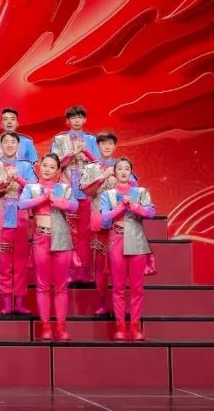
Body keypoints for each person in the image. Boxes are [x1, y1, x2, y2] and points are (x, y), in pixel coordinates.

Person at [19, 153, 77, 341]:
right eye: (45, 165)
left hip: (61, 239)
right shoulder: (32, 188)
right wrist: (42, 199)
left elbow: (74, 206)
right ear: (40, 166)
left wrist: (56, 201)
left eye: (52, 167)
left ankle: (60, 326)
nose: (47, 169)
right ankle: (45, 327)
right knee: (42, 285)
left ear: (58, 170)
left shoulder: (64, 188)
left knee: (61, 286)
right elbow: (22, 204)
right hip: (41, 238)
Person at [99, 158, 156, 341]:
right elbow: (104, 218)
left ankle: (135, 326)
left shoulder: (141, 192)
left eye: (127, 169)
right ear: (114, 172)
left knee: (137, 288)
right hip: (117, 239)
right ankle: (120, 326)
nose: (123, 172)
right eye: (120, 169)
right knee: (118, 287)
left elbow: (151, 213)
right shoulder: (108, 195)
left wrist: (133, 206)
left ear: (131, 172)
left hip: (137, 239)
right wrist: (121, 207)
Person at [79, 131, 135, 316]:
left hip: (121, 223)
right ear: (97, 146)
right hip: (99, 221)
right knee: (100, 266)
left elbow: (135, 188)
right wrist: (103, 176)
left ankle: (122, 305)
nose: (107, 146)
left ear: (115, 146)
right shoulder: (90, 168)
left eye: (110, 143)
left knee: (122, 266)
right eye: (103, 143)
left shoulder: (122, 166)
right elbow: (86, 191)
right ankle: (104, 303)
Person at [0, 132, 37, 315]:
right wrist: (5, 181)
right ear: (1, 145)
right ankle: (6, 301)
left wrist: (18, 178)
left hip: (20, 216)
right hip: (2, 216)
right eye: (5, 142)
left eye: (13, 142)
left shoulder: (25, 165)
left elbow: (34, 188)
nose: (9, 145)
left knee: (21, 262)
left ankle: (20, 301)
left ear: (18, 145)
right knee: (4, 262)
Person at [49, 105, 99, 283]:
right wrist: (73, 153)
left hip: (86, 190)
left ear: (85, 119)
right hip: (66, 190)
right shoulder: (59, 139)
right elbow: (53, 164)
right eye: (73, 117)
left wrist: (86, 151)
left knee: (85, 232)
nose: (76, 120)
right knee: (67, 232)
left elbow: (99, 164)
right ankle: (68, 269)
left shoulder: (92, 140)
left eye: (80, 117)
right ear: (67, 121)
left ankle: (83, 270)